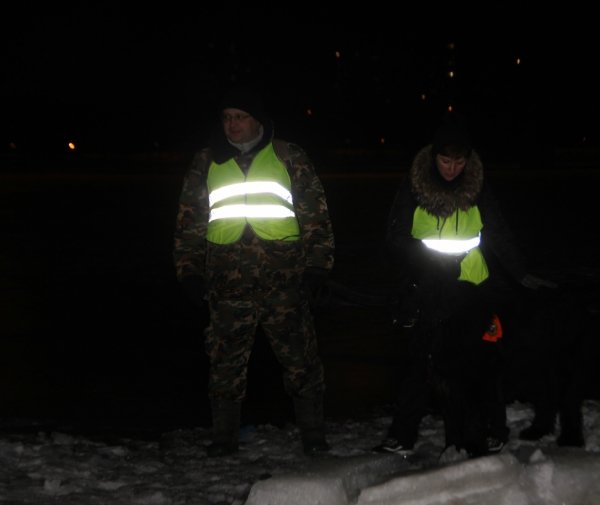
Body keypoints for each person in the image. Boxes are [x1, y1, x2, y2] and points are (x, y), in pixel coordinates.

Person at [374, 115, 557, 458]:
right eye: (445, 160)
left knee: (482, 364)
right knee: (421, 362)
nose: (452, 168)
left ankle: (492, 431)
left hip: (473, 289)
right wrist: (427, 263)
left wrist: (520, 274)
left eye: (459, 161)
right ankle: (402, 436)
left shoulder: (477, 186)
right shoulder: (413, 186)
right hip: (428, 289)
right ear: (433, 157)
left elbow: (498, 231)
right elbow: (394, 238)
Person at [173, 84, 335, 457]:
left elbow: (316, 216)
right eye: (227, 117)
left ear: (257, 120)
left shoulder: (288, 156)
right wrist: (189, 272)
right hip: (226, 283)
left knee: (301, 360)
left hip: (285, 282)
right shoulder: (206, 161)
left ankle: (313, 435)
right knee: (224, 363)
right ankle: (224, 439)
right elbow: (189, 221)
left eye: (240, 117)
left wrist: (316, 268)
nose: (232, 125)